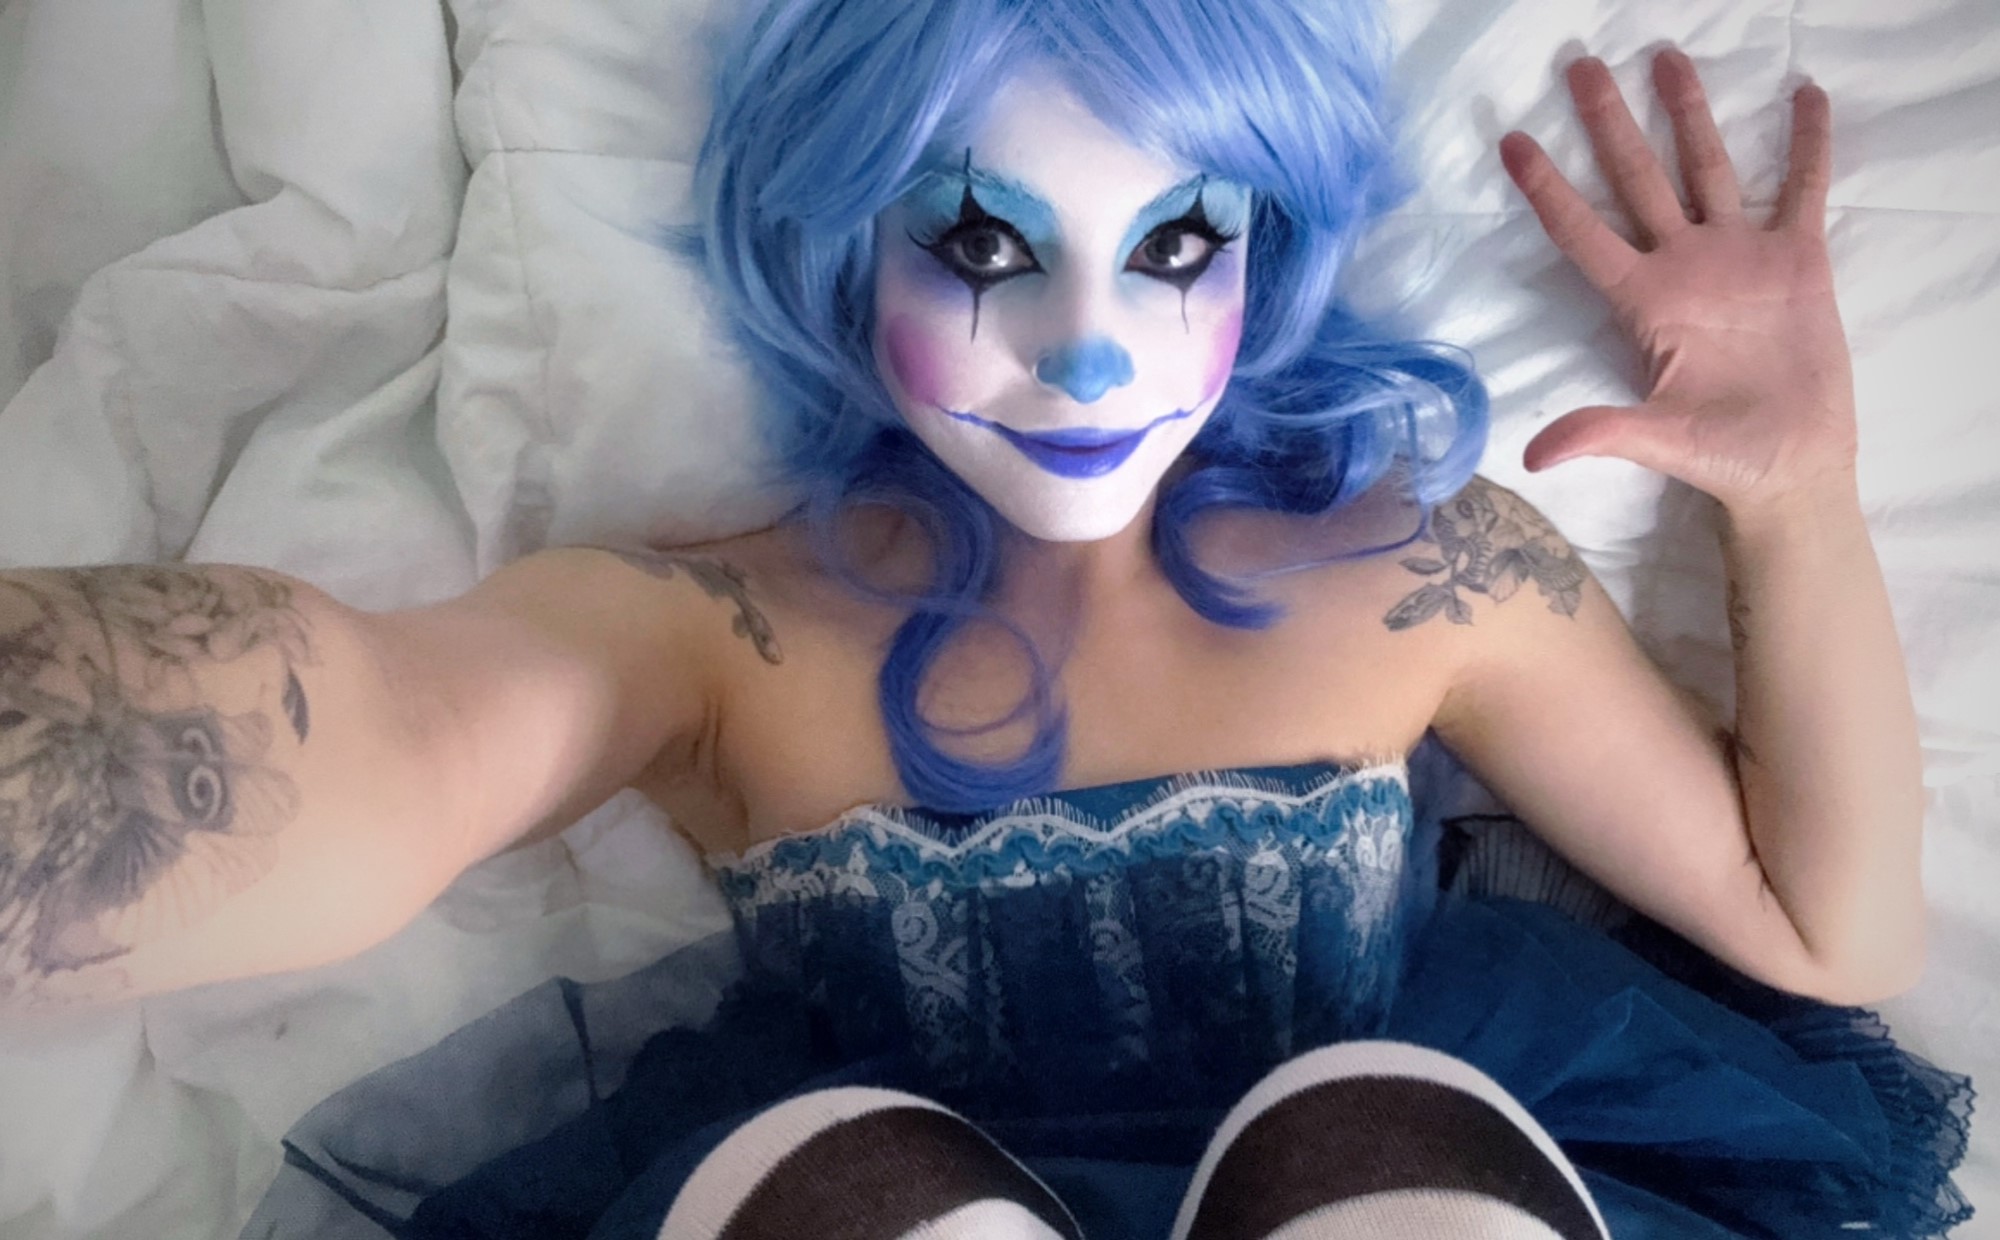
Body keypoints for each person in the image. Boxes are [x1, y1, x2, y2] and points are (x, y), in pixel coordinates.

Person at [0, 0, 1972, 1234]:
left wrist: (1796, 482)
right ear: (840, 246)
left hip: (1401, 1185)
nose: (1089, 347)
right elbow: (385, 725)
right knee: (854, 1199)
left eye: (1176, 241)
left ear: (1266, 247)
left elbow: (1828, 930)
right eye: (976, 240)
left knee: (1376, 1151)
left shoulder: (1415, 568)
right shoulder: (721, 625)